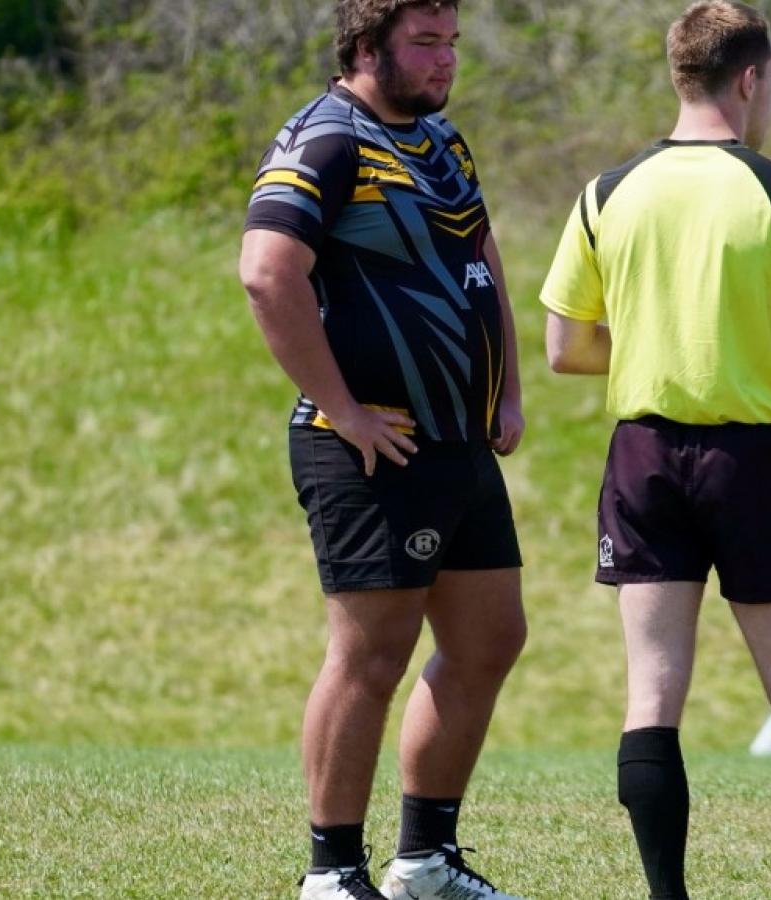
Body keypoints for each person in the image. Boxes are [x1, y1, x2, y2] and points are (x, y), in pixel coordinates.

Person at [539, 3, 771, 899]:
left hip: (643, 459)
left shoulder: (606, 193)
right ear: (749, 79)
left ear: (677, 78)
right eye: (770, 82)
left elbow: (564, 346)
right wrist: (736, 344)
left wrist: (661, 342)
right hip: (752, 466)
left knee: (651, 697)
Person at [238, 1, 527, 897]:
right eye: (425, 44)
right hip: (372, 450)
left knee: (490, 639)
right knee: (371, 655)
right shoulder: (326, 140)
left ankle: (426, 862)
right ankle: (330, 874)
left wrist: (507, 386)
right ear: (366, 49)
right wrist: (344, 410)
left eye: (451, 44)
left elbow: (480, 254)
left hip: (456, 444)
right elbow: (265, 271)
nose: (446, 62)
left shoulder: (444, 143)